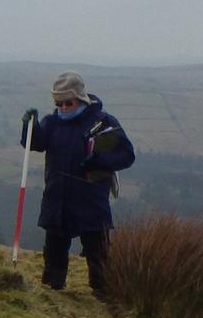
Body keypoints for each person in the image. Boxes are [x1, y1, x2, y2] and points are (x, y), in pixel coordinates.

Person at [20, 72, 136, 297]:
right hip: (57, 197)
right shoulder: (52, 122)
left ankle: (105, 294)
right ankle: (53, 291)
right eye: (58, 103)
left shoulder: (103, 122)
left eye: (68, 102)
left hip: (90, 199)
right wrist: (29, 126)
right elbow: (34, 144)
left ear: (81, 99)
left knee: (97, 251)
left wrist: (99, 160)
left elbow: (126, 155)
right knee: (54, 250)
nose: (62, 107)